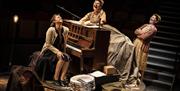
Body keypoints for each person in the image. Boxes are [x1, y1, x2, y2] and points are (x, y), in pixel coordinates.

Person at [40, 14, 71, 86]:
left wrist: (64, 53)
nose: (60, 17)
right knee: (62, 58)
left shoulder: (66, 29)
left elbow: (64, 43)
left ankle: (62, 78)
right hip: (48, 50)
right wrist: (58, 52)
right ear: (54, 21)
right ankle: (55, 78)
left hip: (58, 50)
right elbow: (48, 44)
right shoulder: (51, 30)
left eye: (60, 17)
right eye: (58, 17)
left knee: (67, 58)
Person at [133, 14, 161, 79]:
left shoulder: (154, 29)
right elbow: (135, 31)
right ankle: (133, 73)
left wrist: (139, 33)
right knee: (133, 58)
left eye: (153, 18)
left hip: (142, 45)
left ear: (156, 21)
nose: (151, 18)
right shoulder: (145, 25)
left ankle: (136, 75)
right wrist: (140, 33)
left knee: (138, 60)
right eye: (151, 16)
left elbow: (144, 37)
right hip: (136, 42)